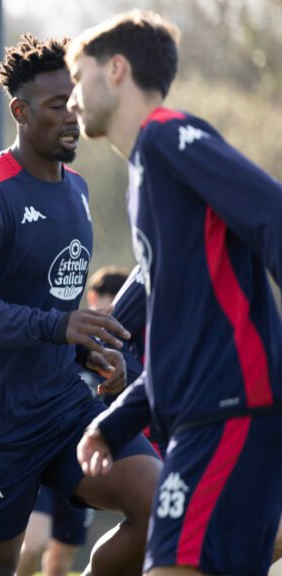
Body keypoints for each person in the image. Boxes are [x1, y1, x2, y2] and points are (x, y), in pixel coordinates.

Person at [0, 34, 161, 575]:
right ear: (20, 110)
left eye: (74, 101)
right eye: (57, 106)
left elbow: (52, 305)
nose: (72, 116)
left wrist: (90, 352)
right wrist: (59, 327)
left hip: (63, 407)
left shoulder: (76, 189)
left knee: (161, 505)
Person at [67, 11, 282, 574]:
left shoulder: (168, 135)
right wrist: (111, 424)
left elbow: (273, 214)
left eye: (77, 75)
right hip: (205, 418)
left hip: (228, 413)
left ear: (115, 70)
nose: (71, 99)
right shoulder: (148, 173)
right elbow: (175, 335)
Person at [18, 265, 128, 576]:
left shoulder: (119, 347)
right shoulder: (65, 332)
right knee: (35, 544)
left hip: (81, 459)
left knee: (60, 561)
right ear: (93, 297)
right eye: (109, 300)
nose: (111, 310)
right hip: (44, 453)